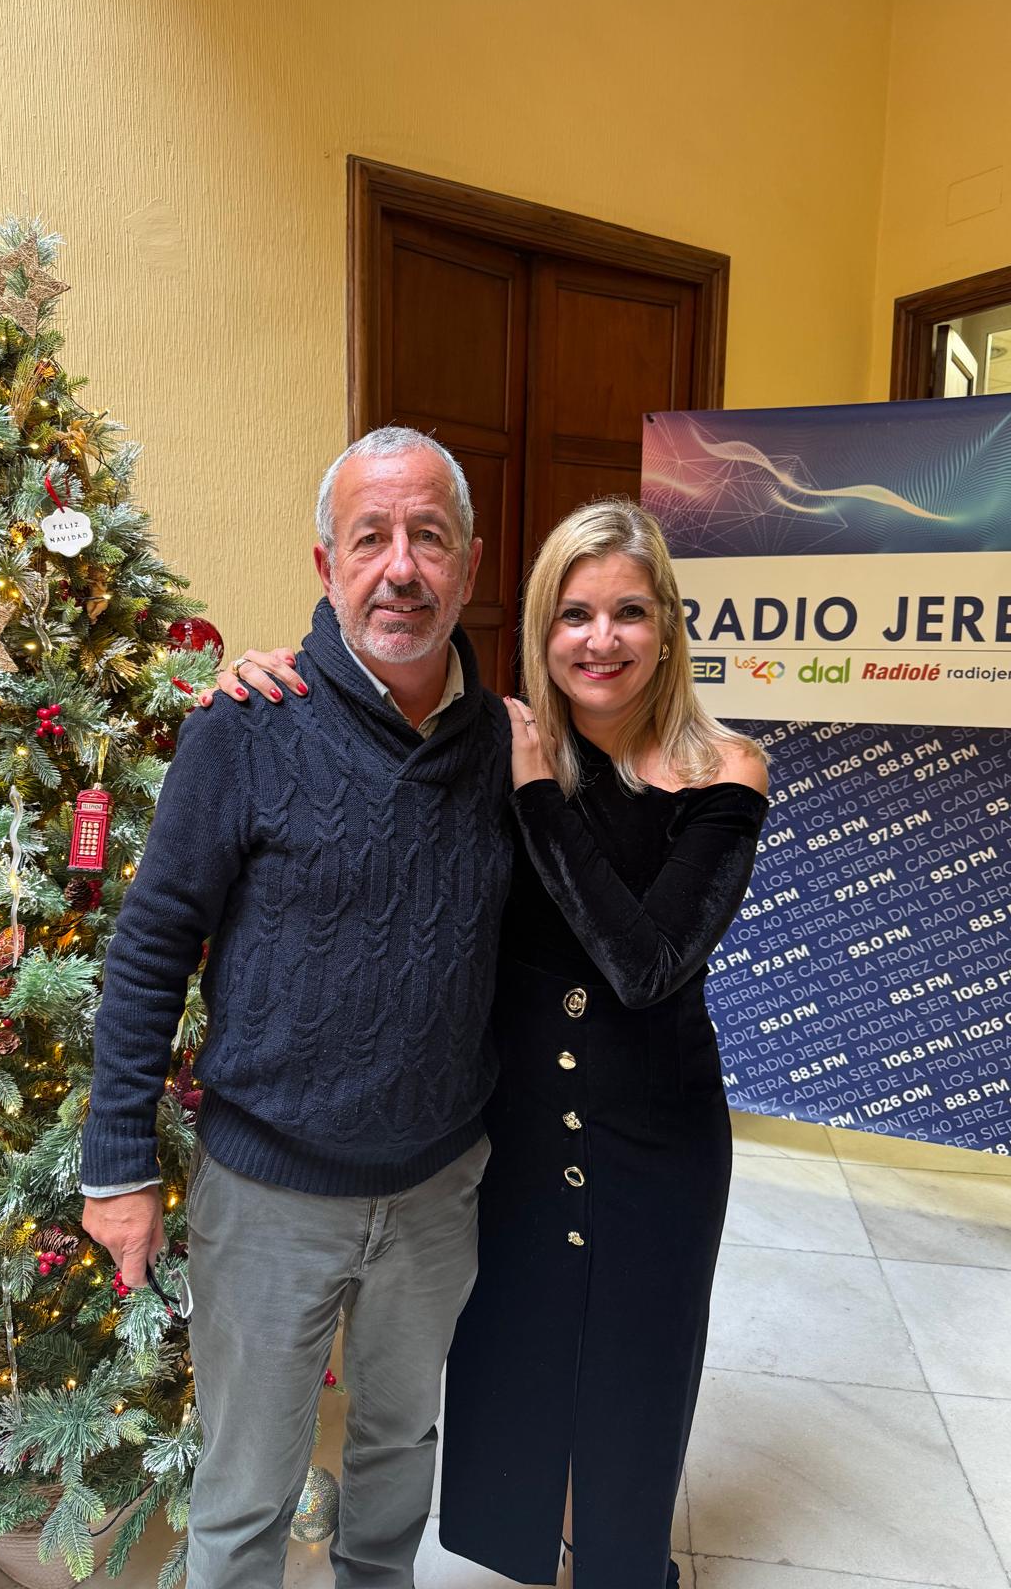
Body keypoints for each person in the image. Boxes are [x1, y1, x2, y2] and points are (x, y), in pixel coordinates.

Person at [215, 495, 770, 1588]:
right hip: (510, 1128)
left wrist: (537, 791)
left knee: (637, 1374)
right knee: (517, 1365)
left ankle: (617, 1563)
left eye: (627, 611)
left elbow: (645, 961)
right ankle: (541, 1554)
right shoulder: (492, 741)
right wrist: (263, 678)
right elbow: (375, 726)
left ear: (667, 626)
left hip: (658, 1136)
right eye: (573, 615)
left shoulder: (722, 772)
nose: (599, 639)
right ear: (539, 628)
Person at [80, 425, 517, 1589]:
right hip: (268, 1195)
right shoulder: (246, 726)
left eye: (430, 536)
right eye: (370, 537)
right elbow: (150, 948)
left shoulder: (509, 746)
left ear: (471, 563)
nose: (401, 567)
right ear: (325, 564)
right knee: (244, 1495)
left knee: (395, 1465)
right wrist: (116, 1162)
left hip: (437, 1191)